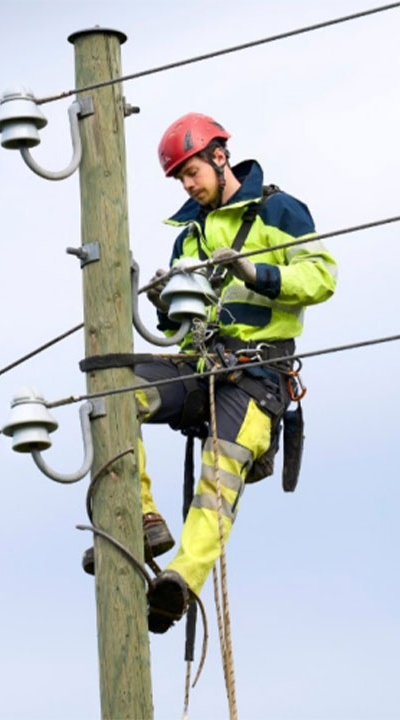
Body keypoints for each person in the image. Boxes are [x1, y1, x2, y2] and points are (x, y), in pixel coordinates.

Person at [82, 113, 337, 634]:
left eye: (192, 171)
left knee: (219, 477)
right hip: (201, 366)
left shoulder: (279, 210)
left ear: (220, 157)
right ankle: (142, 517)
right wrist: (161, 304)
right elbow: (180, 321)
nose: (188, 185)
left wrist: (254, 272)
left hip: (258, 373)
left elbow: (321, 276)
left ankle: (179, 582)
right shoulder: (189, 236)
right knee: (114, 391)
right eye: (180, 178)